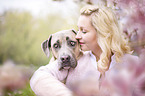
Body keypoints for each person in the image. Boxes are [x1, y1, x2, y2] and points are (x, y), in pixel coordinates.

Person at [30, 5, 139, 96]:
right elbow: (38, 78)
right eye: (78, 30)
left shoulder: (132, 64)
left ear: (102, 34)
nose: (77, 36)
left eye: (84, 31)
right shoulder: (76, 60)